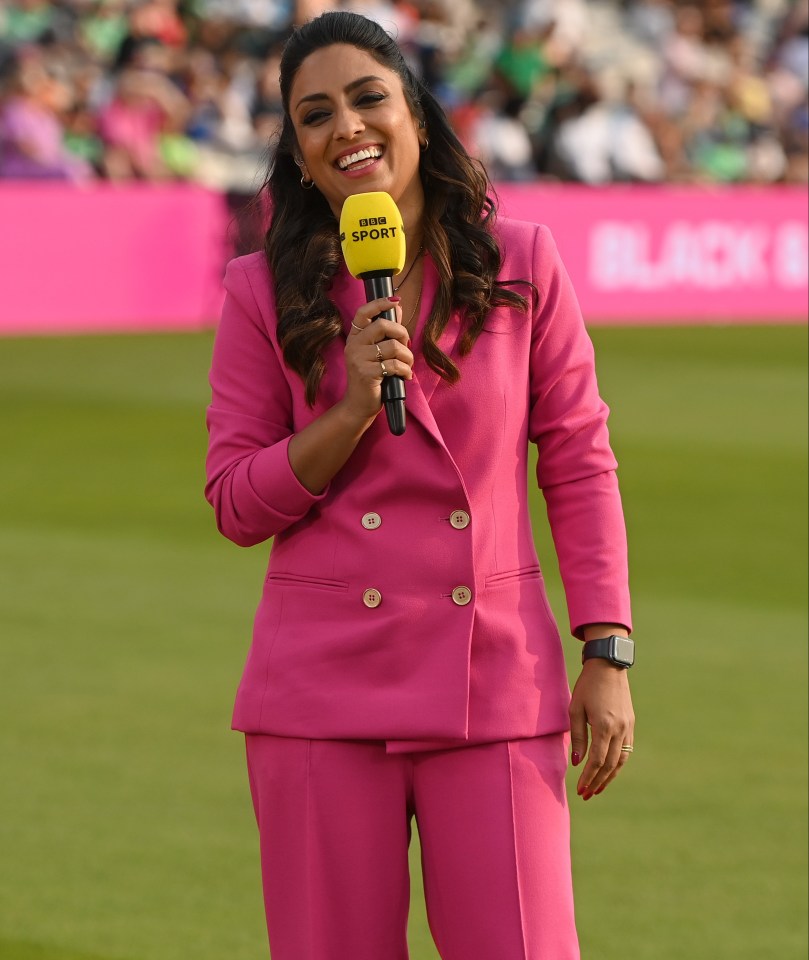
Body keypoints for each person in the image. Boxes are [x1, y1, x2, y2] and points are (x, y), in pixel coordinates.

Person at [204, 10, 636, 959]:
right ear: (301, 156)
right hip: (319, 696)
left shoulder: (523, 260)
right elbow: (236, 502)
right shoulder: (256, 290)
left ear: (417, 115)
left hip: (493, 680)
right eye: (314, 116)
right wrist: (350, 408)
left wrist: (606, 649)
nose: (346, 127)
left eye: (367, 98)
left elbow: (578, 459)